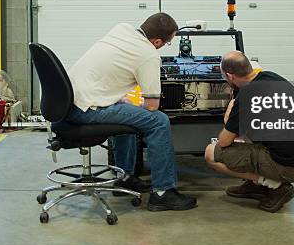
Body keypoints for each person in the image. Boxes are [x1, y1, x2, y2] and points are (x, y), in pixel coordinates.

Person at [66, 13, 197, 211]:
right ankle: (163, 192)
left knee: (128, 111)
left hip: (72, 102)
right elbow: (152, 106)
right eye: (167, 43)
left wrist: (129, 107)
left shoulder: (121, 29)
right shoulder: (149, 55)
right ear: (158, 41)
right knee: (159, 121)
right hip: (87, 110)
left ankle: (124, 177)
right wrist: (138, 109)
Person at [205, 51, 294, 213]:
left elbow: (224, 141)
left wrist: (229, 117)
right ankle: (255, 186)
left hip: (288, 167)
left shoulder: (247, 95)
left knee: (211, 153)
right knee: (245, 139)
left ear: (230, 76)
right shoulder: (272, 77)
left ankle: (276, 186)